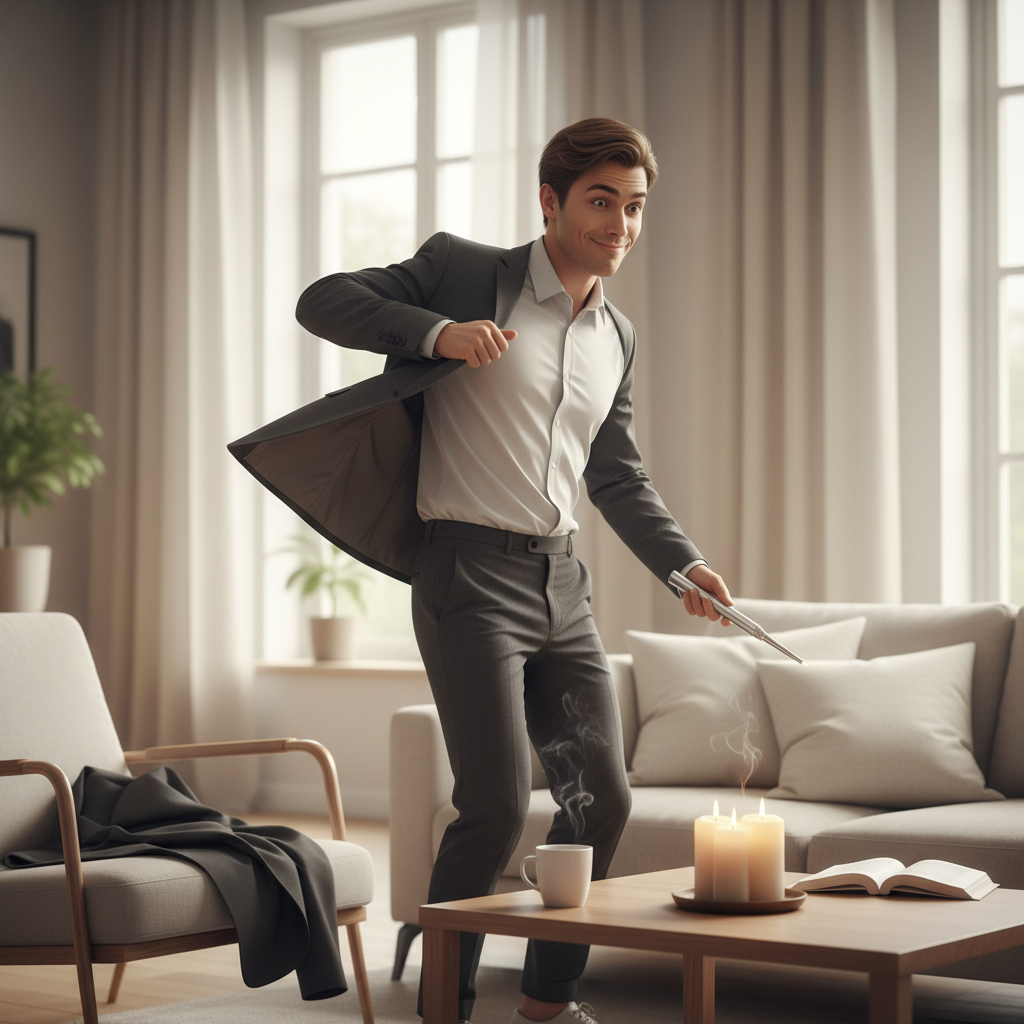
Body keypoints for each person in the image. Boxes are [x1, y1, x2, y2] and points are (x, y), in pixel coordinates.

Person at [235, 117, 733, 1024]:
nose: (620, 224)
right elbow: (323, 300)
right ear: (550, 201)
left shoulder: (615, 334)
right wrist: (438, 334)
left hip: (564, 585)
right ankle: (443, 1006)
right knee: (496, 809)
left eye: (635, 207)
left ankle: (550, 999)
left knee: (602, 801)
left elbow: (614, 473)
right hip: (467, 576)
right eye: (600, 201)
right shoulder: (469, 272)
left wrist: (684, 566)